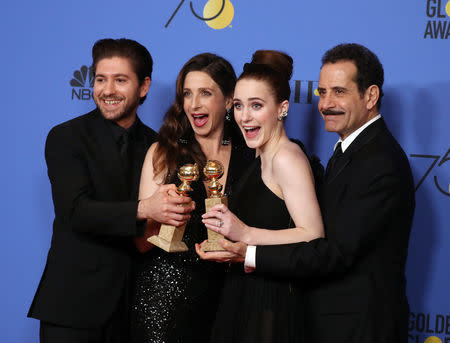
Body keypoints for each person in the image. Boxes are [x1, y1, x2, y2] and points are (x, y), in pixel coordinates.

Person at [215, 43, 416, 343]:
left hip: (358, 328)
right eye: (322, 93)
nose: (326, 103)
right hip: (325, 320)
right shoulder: (349, 151)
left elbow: (334, 252)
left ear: (370, 96)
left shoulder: (380, 162)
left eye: (339, 91)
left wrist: (249, 249)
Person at [27, 38, 193, 343]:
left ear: (143, 87)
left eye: (120, 80)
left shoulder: (157, 146)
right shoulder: (66, 138)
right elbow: (75, 211)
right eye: (101, 79)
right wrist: (145, 208)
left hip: (132, 311)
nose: (107, 90)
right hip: (72, 308)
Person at [196, 50, 324, 343]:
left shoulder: (286, 158)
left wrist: (245, 233)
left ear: (282, 109)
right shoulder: (260, 157)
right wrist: (226, 246)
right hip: (245, 290)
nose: (244, 117)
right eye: (239, 106)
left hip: (271, 300)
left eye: (256, 105)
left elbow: (313, 234)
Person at [130, 53, 254, 343]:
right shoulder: (164, 154)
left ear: (228, 100)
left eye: (205, 93)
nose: (194, 103)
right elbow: (141, 243)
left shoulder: (250, 157)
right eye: (187, 94)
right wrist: (159, 216)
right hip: (166, 302)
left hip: (231, 300)